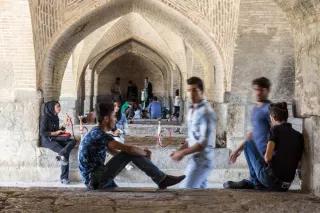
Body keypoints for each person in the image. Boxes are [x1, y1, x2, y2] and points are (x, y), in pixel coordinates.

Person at [78, 103, 185, 190]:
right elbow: (127, 150)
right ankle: (161, 179)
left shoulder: (96, 132)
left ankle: (161, 179)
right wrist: (144, 153)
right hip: (94, 180)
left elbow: (116, 153)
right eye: (113, 116)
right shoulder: (98, 134)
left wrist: (138, 156)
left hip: (95, 177)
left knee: (131, 152)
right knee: (129, 151)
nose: (115, 119)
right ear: (106, 119)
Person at [224, 102, 304, 191]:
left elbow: (267, 158)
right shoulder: (298, 135)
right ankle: (253, 182)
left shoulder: (275, 130)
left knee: (248, 143)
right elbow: (299, 163)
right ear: (286, 117)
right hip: (285, 186)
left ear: (273, 117)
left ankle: (255, 182)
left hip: (271, 181)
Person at [223, 77, 272, 189]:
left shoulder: (269, 108)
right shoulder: (256, 109)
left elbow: (276, 131)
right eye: (256, 89)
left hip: (267, 156)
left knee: (249, 143)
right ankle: (254, 180)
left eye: (261, 90)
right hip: (258, 153)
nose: (258, 93)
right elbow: (252, 133)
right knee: (248, 143)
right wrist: (237, 150)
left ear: (267, 90)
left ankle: (256, 182)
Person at [170, 77, 217, 189]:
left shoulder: (206, 112)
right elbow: (191, 138)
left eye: (194, 90)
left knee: (186, 192)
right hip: (194, 158)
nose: (191, 94)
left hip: (203, 160)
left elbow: (202, 144)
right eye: (189, 90)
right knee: (198, 197)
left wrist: (182, 153)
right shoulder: (191, 110)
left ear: (201, 91)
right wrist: (180, 150)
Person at [40, 101, 76, 185]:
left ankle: (61, 153)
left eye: (60, 106)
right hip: (47, 141)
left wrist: (65, 124)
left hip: (55, 138)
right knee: (65, 153)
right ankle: (64, 178)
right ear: (52, 108)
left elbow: (59, 130)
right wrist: (55, 133)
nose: (60, 108)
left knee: (73, 141)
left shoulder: (55, 117)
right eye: (58, 106)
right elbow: (42, 133)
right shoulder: (45, 117)